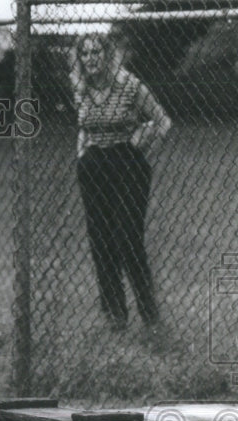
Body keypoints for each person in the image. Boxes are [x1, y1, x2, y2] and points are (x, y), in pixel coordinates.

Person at [70, 33, 171, 331]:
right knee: (100, 241)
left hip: (127, 164)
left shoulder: (128, 84)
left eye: (96, 52)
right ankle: (115, 314)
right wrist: (82, 151)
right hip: (93, 167)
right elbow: (83, 126)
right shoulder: (80, 87)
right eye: (85, 53)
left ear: (107, 54)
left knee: (127, 237)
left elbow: (163, 121)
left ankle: (149, 313)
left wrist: (140, 146)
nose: (90, 58)